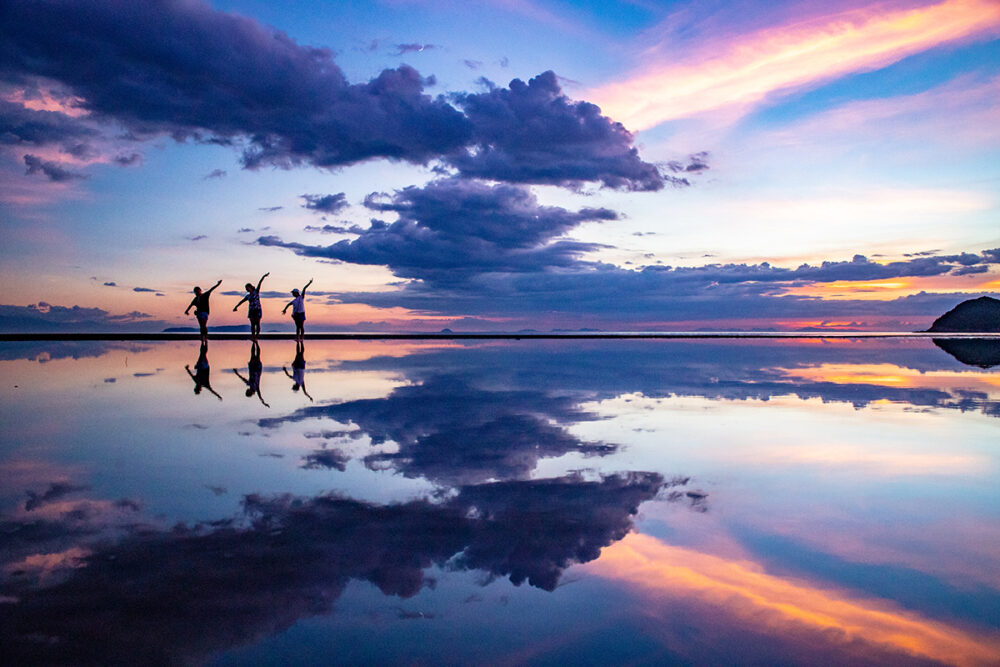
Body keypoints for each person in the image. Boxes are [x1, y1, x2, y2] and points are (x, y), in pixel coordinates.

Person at [233, 340, 269, 407]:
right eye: (248, 391)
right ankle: (256, 342)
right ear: (250, 392)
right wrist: (264, 403)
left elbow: (243, 379)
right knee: (257, 355)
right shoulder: (256, 387)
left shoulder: (250, 384)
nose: (247, 390)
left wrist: (236, 373)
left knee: (253, 355)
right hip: (256, 369)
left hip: (253, 368)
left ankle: (254, 342)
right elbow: (260, 396)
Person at [233, 272, 269, 338]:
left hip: (257, 310)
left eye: (247, 288)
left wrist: (264, 276)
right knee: (252, 324)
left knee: (257, 323)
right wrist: (236, 306)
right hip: (251, 310)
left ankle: (257, 336)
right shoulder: (248, 296)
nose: (246, 289)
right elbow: (241, 301)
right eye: (246, 288)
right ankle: (253, 336)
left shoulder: (256, 292)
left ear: (250, 287)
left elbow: (260, 283)